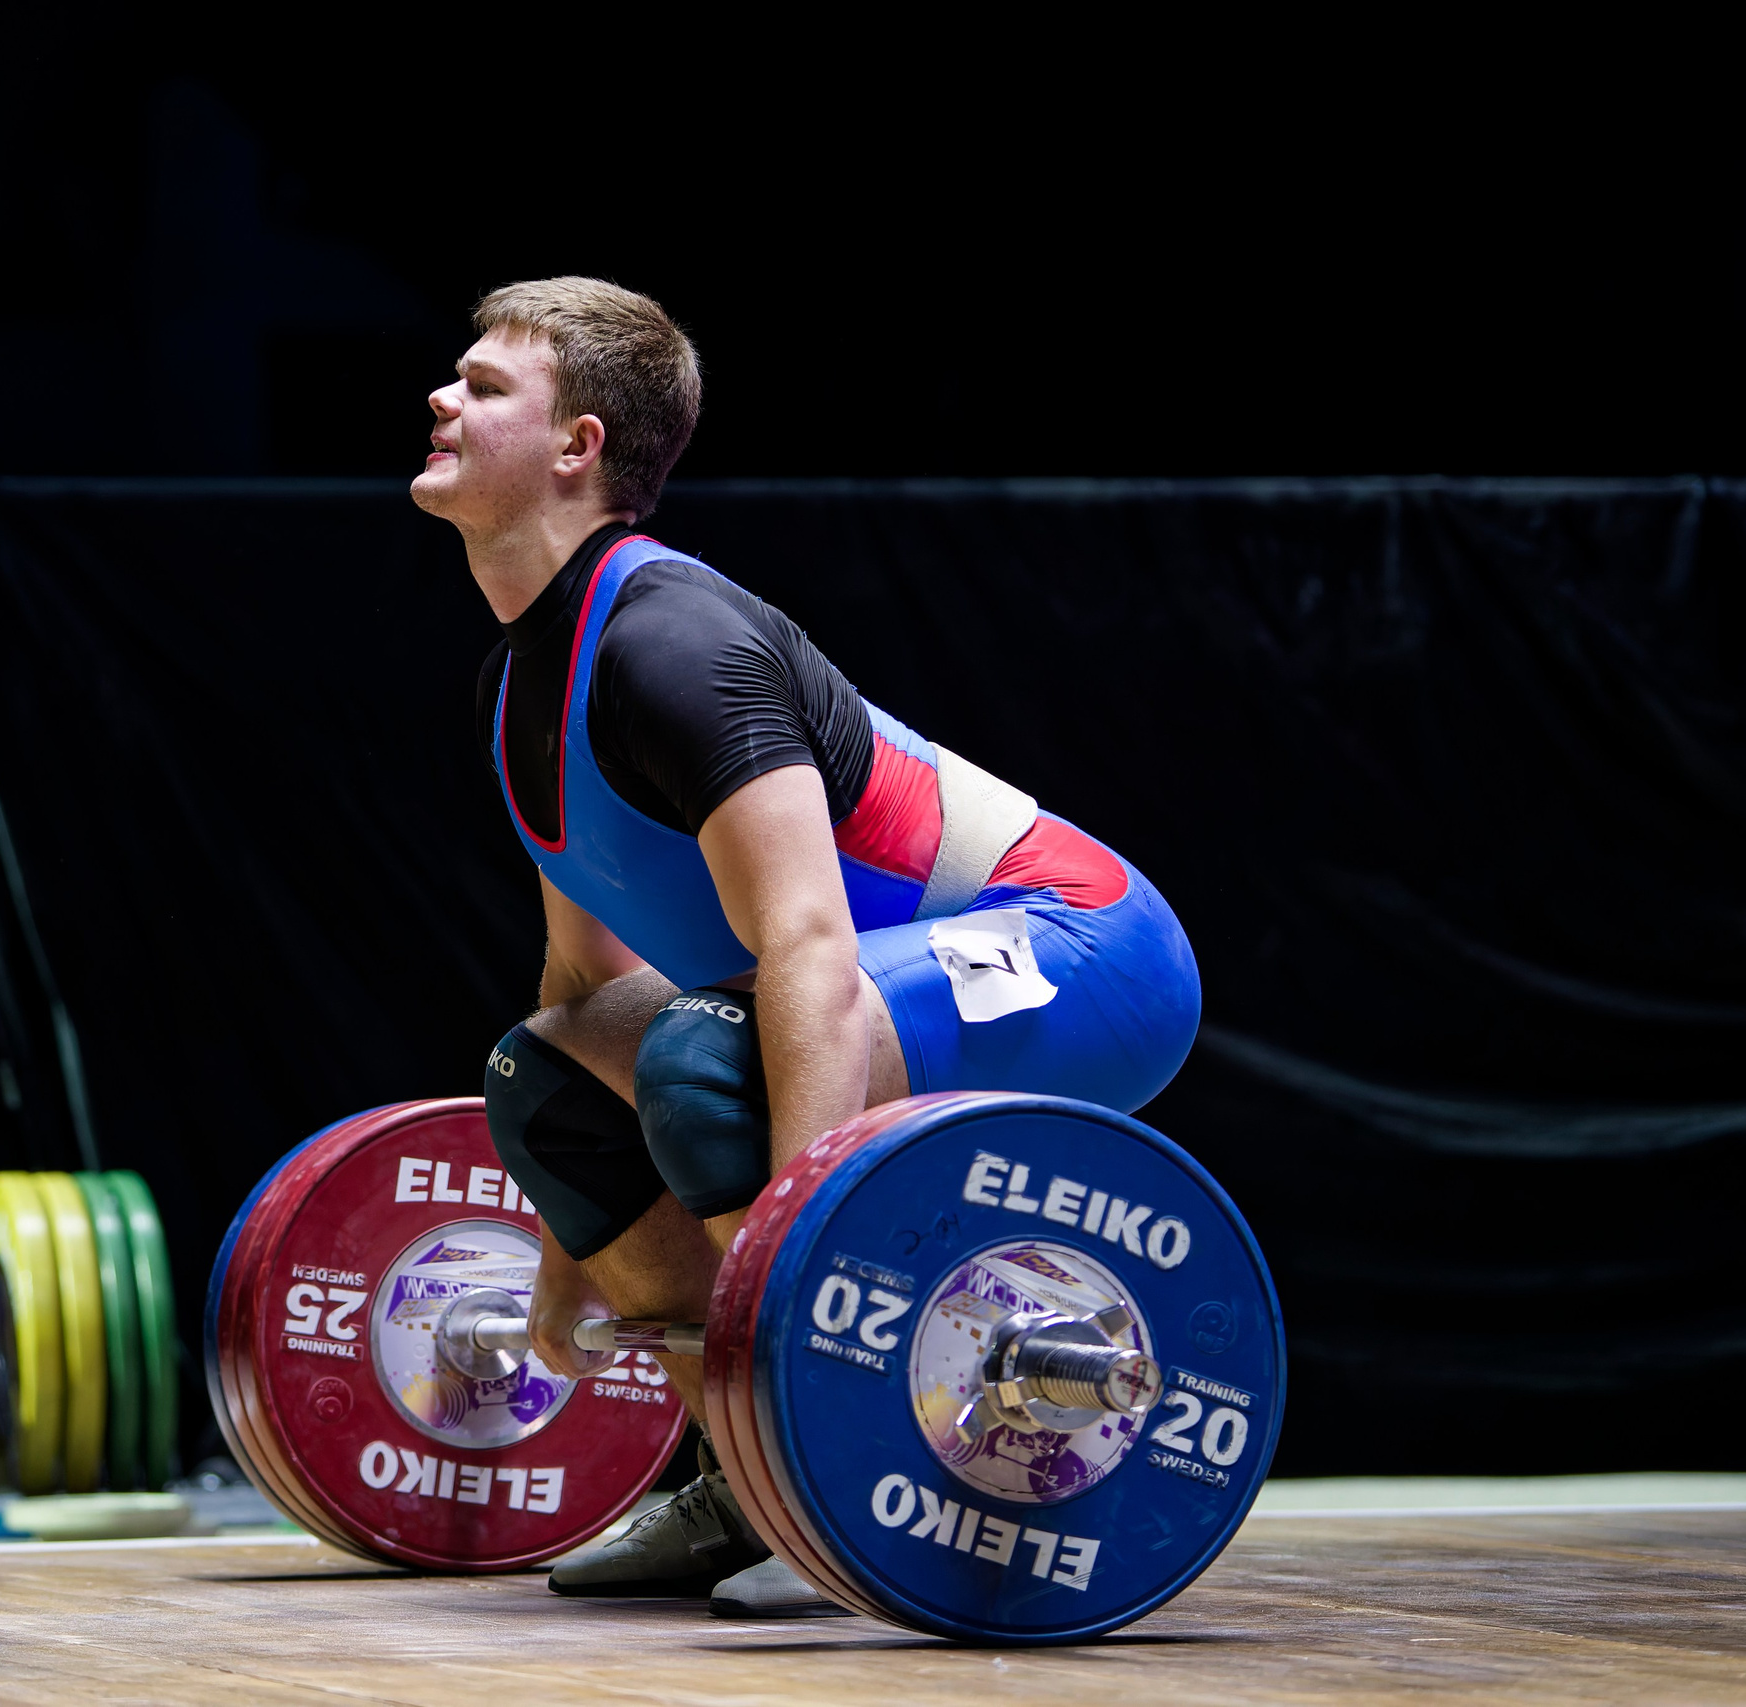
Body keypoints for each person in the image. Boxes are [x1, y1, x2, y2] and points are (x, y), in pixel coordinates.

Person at [411, 278, 1201, 1617]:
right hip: (881, 980)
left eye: (486, 386)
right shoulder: (516, 689)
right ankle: (741, 1478)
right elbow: (583, 986)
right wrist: (572, 1250)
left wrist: (797, 1284)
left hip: (1084, 953)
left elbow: (809, 952)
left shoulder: (673, 643)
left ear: (577, 446)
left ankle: (830, 1463)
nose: (442, 396)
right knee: (543, 1072)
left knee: (708, 1060)